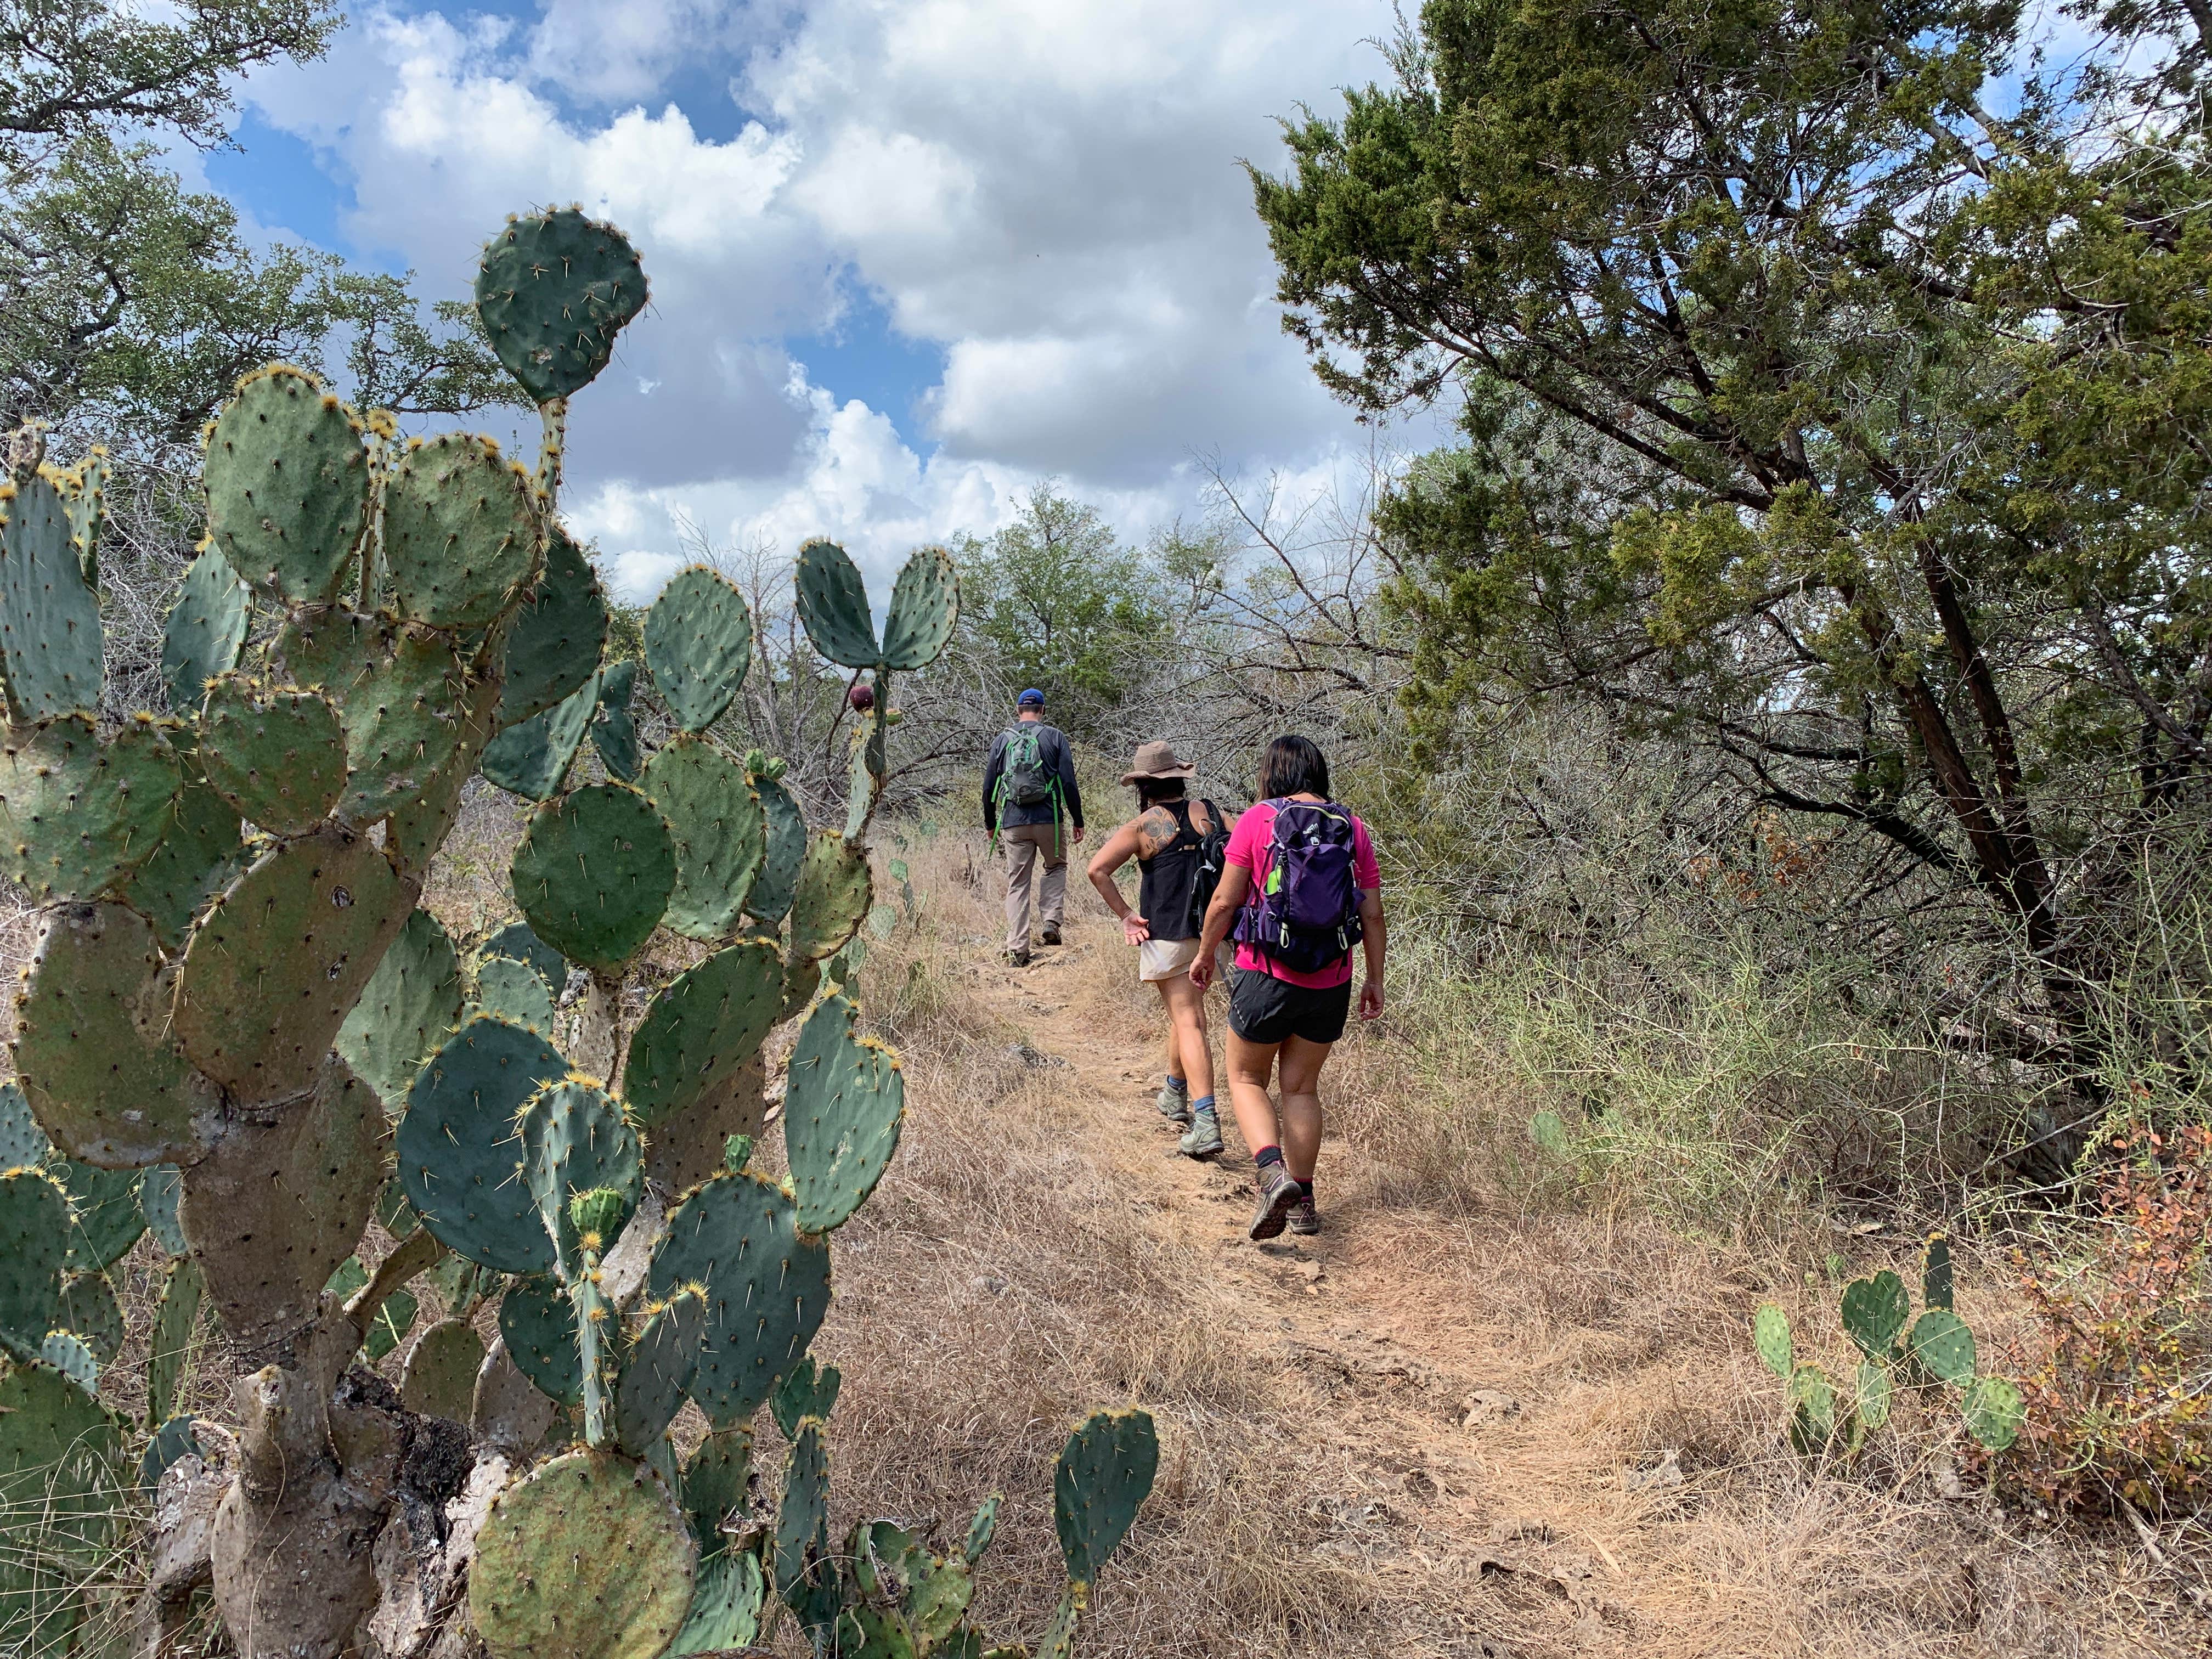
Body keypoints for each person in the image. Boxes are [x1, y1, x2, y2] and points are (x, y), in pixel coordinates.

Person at [1191, 734, 1385, 1240]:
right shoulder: (1353, 827)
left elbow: (1225, 901)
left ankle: (1272, 1174)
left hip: (1265, 974)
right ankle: (1303, 1202)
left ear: (1272, 774)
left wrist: (1206, 951)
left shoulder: (1259, 820)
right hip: (1331, 981)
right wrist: (1374, 979)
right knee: (1301, 1088)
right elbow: (1372, 913)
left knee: (1246, 1079)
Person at [1085, 741, 1231, 1158]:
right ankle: (1173, 1092)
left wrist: (1126, 914)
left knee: (1189, 1022)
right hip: (1209, 933)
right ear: (1178, 779)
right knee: (1183, 1015)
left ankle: (1205, 1122)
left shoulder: (1142, 825)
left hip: (1165, 933)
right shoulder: (1213, 813)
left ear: (1145, 785)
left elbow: (1097, 869)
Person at [981, 689, 1084, 967]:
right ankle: (1051, 921)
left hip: (1013, 822)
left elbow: (989, 785)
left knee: (1018, 883)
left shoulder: (1002, 740)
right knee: (1056, 867)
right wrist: (1078, 819)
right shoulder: (1055, 737)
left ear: (1018, 710)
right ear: (1043, 710)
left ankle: (1017, 949)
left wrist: (991, 823)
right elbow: (1069, 782)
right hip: (1049, 818)